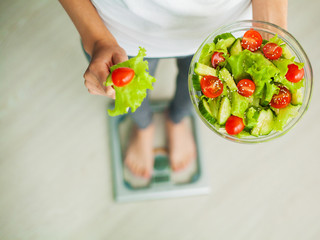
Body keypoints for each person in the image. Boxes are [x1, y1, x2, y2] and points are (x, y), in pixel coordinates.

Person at [59, 0, 288, 180]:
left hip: (221, 31)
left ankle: (177, 119)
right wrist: (97, 39)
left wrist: (271, 37)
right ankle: (144, 126)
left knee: (198, 95)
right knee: (129, 97)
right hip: (120, 31)